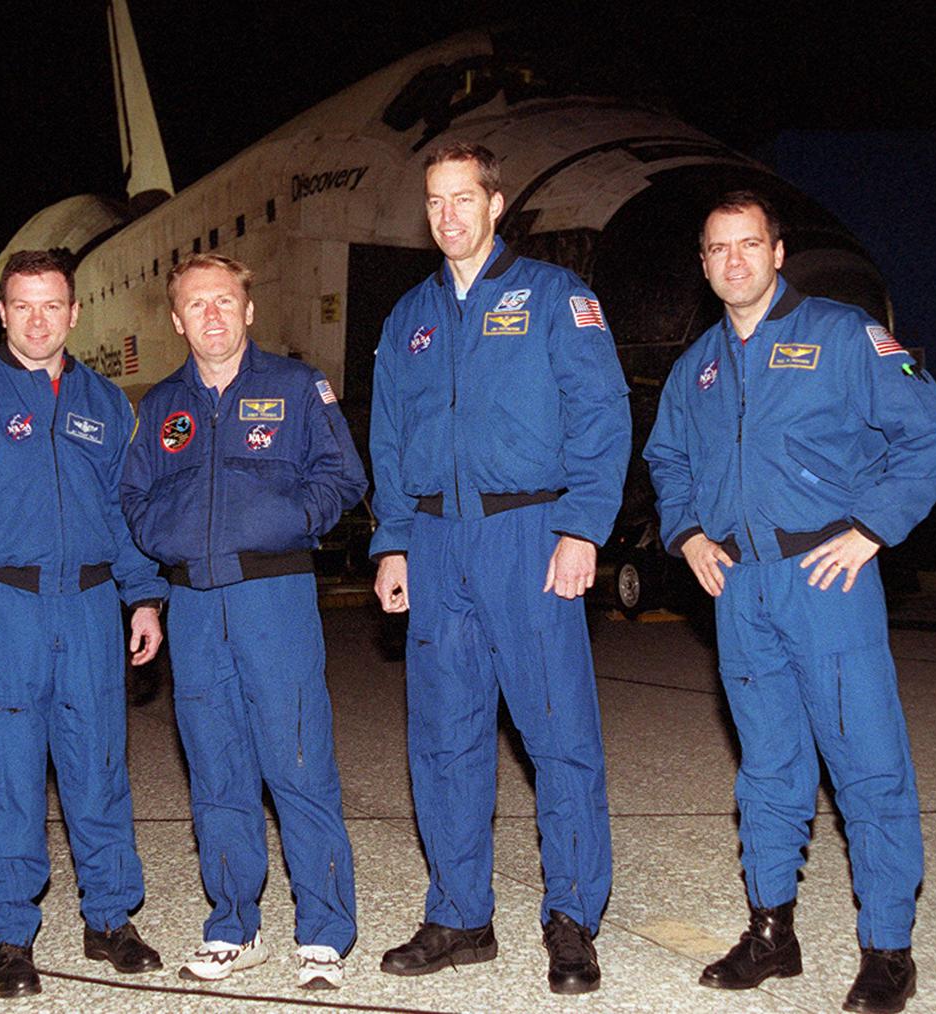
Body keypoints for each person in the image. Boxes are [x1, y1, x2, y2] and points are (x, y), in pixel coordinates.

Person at [644, 191, 936, 1014]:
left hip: (829, 582)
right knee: (769, 769)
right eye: (718, 250)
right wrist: (685, 536)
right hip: (740, 590)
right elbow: (667, 456)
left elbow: (934, 434)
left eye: (749, 245)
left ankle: (888, 948)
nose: (735, 262)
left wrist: (872, 530)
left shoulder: (842, 335)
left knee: (868, 765)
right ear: (705, 265)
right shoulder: (699, 366)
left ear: (777, 253)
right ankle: (771, 933)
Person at [369, 142, 631, 995]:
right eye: (435, 201)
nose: (449, 215)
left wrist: (584, 527)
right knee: (444, 738)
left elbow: (601, 416)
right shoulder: (407, 316)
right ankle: (458, 915)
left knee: (557, 734)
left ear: (496, 201)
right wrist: (393, 541)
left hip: (530, 535)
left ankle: (571, 918)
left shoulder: (558, 296)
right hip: (439, 545)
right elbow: (389, 440)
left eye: (463, 198)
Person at [0, 248, 167, 999]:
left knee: (99, 768)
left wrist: (144, 594)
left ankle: (110, 919)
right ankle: (11, 935)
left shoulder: (104, 403)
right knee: (9, 777)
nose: (37, 319)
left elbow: (123, 513)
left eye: (52, 305)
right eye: (22, 305)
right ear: (1, 312)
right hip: (2, 608)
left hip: (89, 607)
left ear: (75, 313)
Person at [120, 253, 366, 991]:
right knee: (217, 769)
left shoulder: (295, 387)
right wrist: (167, 539)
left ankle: (323, 931)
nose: (213, 316)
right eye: (197, 305)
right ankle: (233, 925)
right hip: (195, 606)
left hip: (273, 601)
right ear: (177, 319)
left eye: (225, 301)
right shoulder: (162, 406)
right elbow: (131, 499)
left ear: (248, 310)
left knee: (298, 763)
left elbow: (344, 476)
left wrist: (290, 517)